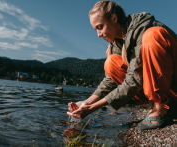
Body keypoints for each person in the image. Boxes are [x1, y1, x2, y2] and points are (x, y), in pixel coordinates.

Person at [67, 1, 177, 130]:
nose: (98, 34)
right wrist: (87, 102)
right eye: (96, 29)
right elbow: (110, 81)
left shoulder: (143, 27)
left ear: (114, 18)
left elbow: (134, 78)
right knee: (111, 62)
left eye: (100, 27)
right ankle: (168, 105)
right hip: (169, 94)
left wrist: (93, 108)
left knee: (153, 35)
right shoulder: (117, 42)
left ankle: (160, 108)